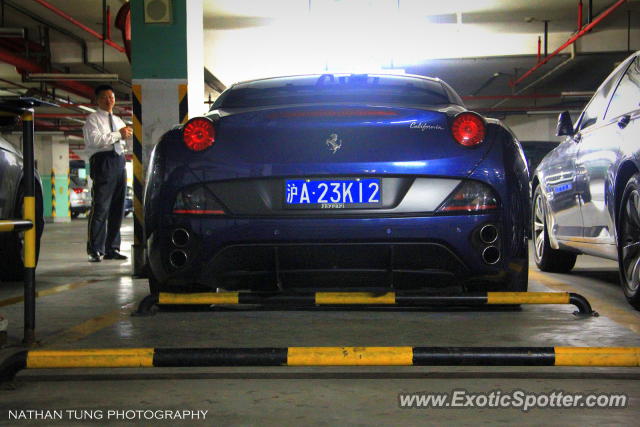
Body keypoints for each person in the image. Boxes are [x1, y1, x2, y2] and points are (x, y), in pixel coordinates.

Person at [83, 84, 132, 262]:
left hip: (119, 161)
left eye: (111, 97)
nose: (109, 100)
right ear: (97, 100)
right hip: (103, 161)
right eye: (104, 97)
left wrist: (124, 136)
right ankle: (95, 249)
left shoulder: (118, 120)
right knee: (101, 206)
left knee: (117, 208)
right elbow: (95, 141)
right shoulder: (93, 119)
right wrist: (118, 134)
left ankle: (112, 248)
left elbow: (122, 140)